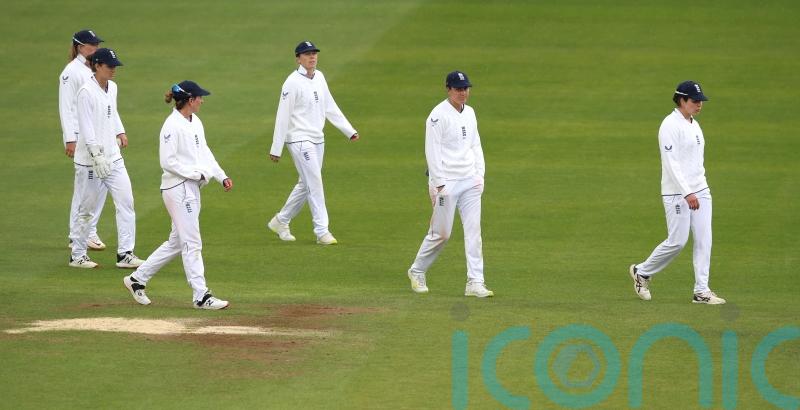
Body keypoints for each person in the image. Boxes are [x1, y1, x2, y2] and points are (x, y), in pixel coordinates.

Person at [123, 81, 232, 310]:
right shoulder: (171, 126)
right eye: (199, 97)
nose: (202, 100)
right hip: (178, 188)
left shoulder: (195, 121)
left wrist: (220, 175)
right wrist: (195, 174)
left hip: (191, 187)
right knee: (192, 242)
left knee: (176, 242)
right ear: (190, 100)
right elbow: (168, 161)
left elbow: (204, 151)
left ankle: (136, 279)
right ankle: (201, 296)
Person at [629, 80, 725, 305]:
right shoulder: (669, 125)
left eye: (701, 101)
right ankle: (642, 272)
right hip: (677, 193)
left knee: (704, 239)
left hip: (700, 189)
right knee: (678, 241)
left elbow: (695, 161)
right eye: (695, 101)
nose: (699, 105)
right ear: (682, 100)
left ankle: (701, 291)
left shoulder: (693, 123)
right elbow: (671, 164)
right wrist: (687, 192)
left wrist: (698, 188)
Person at [407, 71, 493, 298]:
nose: (462, 93)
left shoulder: (471, 113)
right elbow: (432, 152)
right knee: (441, 234)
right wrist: (440, 185)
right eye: (458, 89)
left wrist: (480, 176)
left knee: (474, 232)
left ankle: (475, 282)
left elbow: (476, 144)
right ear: (448, 89)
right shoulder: (437, 116)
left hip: (470, 181)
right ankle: (417, 270)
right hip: (446, 183)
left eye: (465, 88)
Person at [267, 40, 359, 245]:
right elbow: (283, 115)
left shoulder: (320, 77)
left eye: (314, 53)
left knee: (306, 183)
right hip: (299, 139)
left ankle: (280, 221)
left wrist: (348, 130)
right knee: (315, 182)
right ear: (298, 58)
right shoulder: (291, 83)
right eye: (307, 54)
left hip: (318, 138)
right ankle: (321, 231)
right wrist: (276, 147)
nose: (312, 57)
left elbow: (329, 106)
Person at [70, 48, 143, 269]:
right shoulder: (85, 92)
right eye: (110, 66)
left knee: (126, 202)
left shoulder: (113, 88)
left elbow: (113, 111)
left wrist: (120, 131)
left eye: (115, 66)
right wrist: (96, 155)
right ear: (97, 66)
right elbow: (86, 126)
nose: (113, 70)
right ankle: (77, 255)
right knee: (87, 208)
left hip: (113, 157)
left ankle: (125, 254)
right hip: (90, 160)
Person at [59, 29, 108, 251]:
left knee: (99, 186)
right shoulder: (71, 72)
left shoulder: (93, 68)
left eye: (97, 45)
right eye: (92, 45)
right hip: (81, 139)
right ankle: (77, 234)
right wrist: (70, 138)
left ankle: (89, 231)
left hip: (98, 137)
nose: (95, 49)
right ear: (80, 47)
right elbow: (66, 107)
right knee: (84, 189)